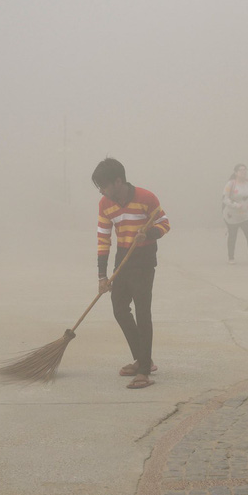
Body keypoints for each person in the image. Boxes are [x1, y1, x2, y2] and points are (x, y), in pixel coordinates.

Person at [92, 157, 170, 389]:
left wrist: (149, 234)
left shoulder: (146, 198)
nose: (102, 192)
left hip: (144, 260)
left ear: (118, 181)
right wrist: (102, 276)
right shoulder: (105, 204)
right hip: (123, 258)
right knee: (119, 309)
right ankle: (143, 359)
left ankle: (144, 371)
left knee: (142, 312)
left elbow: (165, 223)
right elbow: (103, 238)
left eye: (104, 186)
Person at [222, 163, 248, 265]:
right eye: (241, 170)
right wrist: (236, 205)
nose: (243, 172)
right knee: (232, 236)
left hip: (246, 215)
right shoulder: (231, 184)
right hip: (232, 215)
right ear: (236, 173)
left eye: (245, 170)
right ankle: (231, 258)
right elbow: (225, 199)